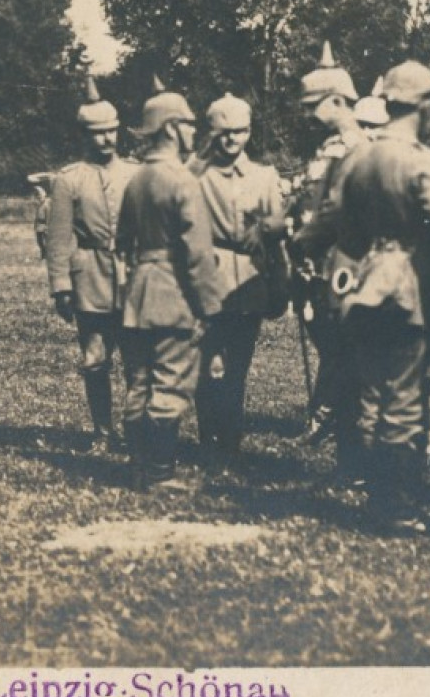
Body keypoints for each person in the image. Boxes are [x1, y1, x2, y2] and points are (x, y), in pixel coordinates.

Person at [331, 61, 430, 533]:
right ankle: (397, 504)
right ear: (425, 106)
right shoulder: (421, 161)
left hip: (367, 282)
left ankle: (376, 493)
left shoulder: (358, 158)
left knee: (372, 391)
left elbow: (343, 230)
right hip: (408, 286)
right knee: (406, 395)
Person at [117, 84, 223, 490]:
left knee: (139, 381)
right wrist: (209, 308)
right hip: (173, 290)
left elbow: (122, 242)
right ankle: (160, 472)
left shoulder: (136, 179)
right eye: (189, 125)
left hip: (138, 291)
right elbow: (196, 254)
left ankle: (139, 466)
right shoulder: (181, 181)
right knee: (169, 380)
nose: (194, 133)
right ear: (173, 128)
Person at [189, 94, 287, 460]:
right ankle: (207, 435)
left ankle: (230, 439)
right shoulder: (195, 175)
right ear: (212, 133)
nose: (232, 140)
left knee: (237, 365)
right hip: (207, 277)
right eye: (224, 132)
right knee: (206, 362)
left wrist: (279, 283)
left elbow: (276, 237)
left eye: (240, 132)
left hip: (249, 280)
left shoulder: (264, 177)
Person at [44, 81, 137, 456]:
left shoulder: (135, 173)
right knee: (95, 360)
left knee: (136, 363)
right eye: (97, 134)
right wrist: (61, 286)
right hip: (91, 280)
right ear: (83, 135)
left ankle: (137, 433)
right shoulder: (69, 180)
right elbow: (58, 237)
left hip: (132, 279)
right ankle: (102, 432)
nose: (106, 140)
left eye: (111, 131)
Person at [286, 42, 368, 471]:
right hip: (317, 267)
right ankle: (336, 425)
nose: (306, 115)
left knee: (346, 356)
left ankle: (344, 437)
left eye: (313, 106)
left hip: (345, 267)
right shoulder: (326, 147)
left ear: (337, 101)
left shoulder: (358, 148)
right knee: (333, 351)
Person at [27, 172, 55, 260]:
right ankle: (43, 256)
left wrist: (48, 227)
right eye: (37, 195)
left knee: (45, 242)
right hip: (39, 226)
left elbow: (48, 216)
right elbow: (37, 216)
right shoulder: (39, 205)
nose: (38, 197)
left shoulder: (47, 204)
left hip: (44, 226)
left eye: (40, 195)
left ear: (44, 195)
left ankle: (47, 256)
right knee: (40, 242)